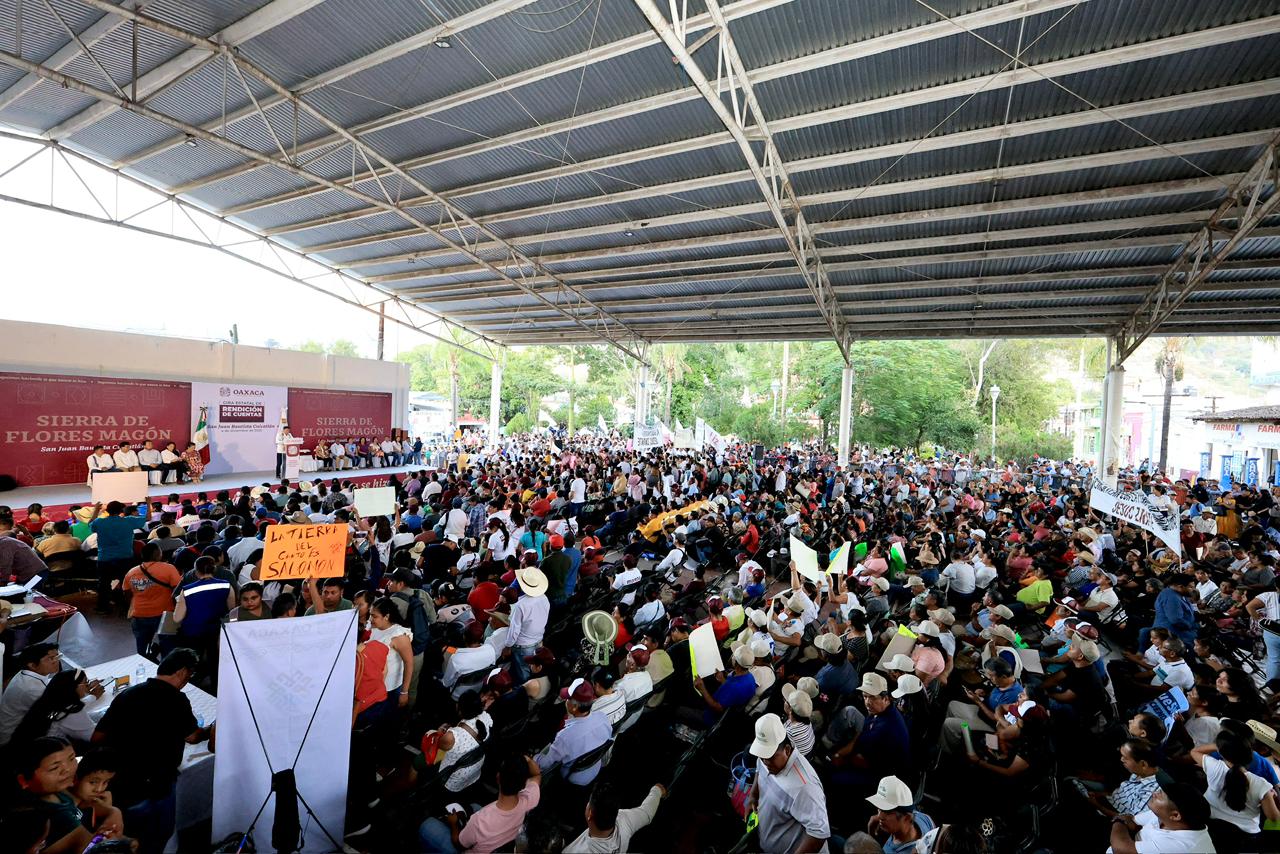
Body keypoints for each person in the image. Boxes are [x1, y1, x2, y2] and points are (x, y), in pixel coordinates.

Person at [92, 648, 211, 853]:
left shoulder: (128, 694)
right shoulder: (177, 700)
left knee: (125, 836)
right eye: (189, 675)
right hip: (157, 783)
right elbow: (193, 736)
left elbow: (97, 737)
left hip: (122, 784)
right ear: (182, 672)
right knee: (158, 834)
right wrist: (214, 727)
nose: (187, 680)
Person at [13, 736, 119, 854]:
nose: (67, 769)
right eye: (55, 767)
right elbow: (93, 848)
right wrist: (113, 815)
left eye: (71, 758)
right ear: (24, 781)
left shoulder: (59, 793)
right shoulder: (44, 816)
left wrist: (112, 811)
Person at [417, 753, 541, 853]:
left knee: (426, 826)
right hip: (502, 842)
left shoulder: (480, 820)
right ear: (524, 783)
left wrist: (453, 824)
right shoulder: (530, 799)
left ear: (498, 778)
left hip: (467, 845)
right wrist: (528, 762)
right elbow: (537, 774)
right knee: (474, 807)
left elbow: (459, 844)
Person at [746, 713, 831, 853]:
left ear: (787, 749)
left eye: (770, 757)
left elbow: (818, 833)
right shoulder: (765, 758)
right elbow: (759, 770)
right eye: (762, 756)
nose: (765, 762)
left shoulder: (805, 786)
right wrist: (753, 796)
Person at [535, 678, 612, 786]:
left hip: (574, 779)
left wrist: (534, 758)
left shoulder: (564, 736)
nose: (565, 701)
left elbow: (545, 764)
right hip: (595, 768)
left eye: (567, 699)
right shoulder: (603, 717)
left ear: (575, 707)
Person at [12, 668, 106, 750]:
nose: (88, 686)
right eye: (86, 683)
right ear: (73, 687)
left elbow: (73, 712)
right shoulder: (71, 711)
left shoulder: (51, 701)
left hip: (28, 747)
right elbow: (93, 737)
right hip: (48, 752)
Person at [564, 782, 665, 853]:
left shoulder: (575, 851)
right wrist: (657, 790)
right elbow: (647, 812)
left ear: (590, 814)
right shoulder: (624, 819)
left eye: (589, 803)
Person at [122, 542, 182, 655]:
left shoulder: (131, 572)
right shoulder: (168, 568)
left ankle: (145, 668)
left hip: (139, 615)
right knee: (168, 647)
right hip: (166, 615)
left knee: (141, 648)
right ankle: (167, 671)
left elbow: (126, 593)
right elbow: (178, 590)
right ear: (157, 554)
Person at [89, 500, 147, 614]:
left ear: (106, 511)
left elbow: (90, 524)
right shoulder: (129, 521)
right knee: (126, 582)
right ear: (122, 510)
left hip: (104, 558)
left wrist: (96, 509)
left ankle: (103, 607)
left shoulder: (100, 522)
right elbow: (147, 518)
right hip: (125, 557)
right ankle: (127, 606)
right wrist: (148, 503)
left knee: (104, 583)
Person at [0, 643, 64, 745]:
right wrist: (91, 697)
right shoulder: (32, 689)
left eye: (57, 656)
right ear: (33, 665)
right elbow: (61, 711)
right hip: (12, 742)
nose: (56, 661)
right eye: (50, 658)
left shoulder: (26, 673)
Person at [865, 775, 935, 854]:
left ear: (907, 818)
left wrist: (871, 837)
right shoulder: (924, 819)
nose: (879, 816)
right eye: (880, 809)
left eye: (887, 812)